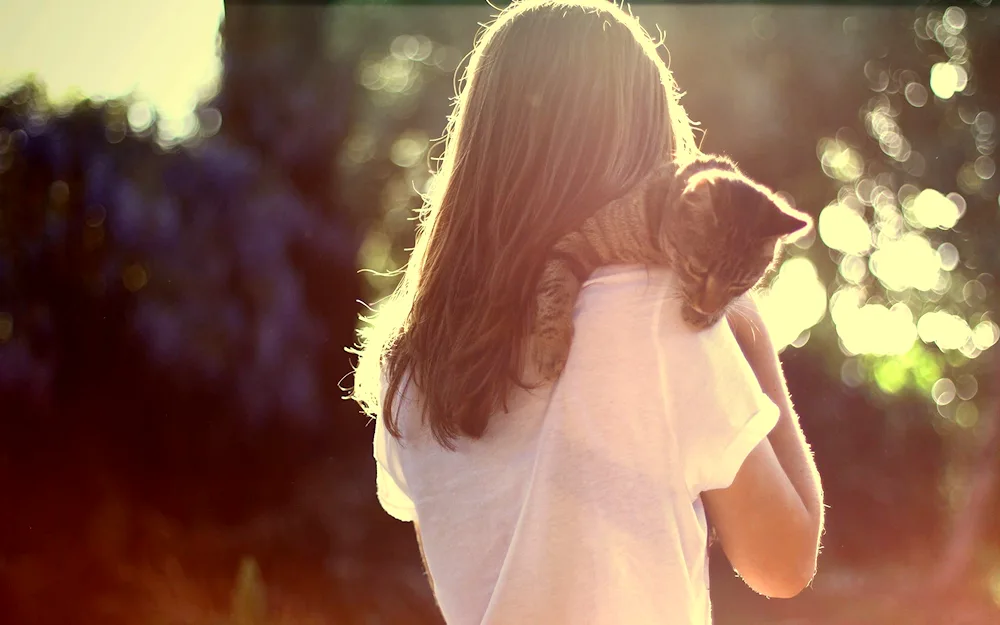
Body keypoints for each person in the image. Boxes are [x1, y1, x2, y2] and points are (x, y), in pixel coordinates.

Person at [350, 0, 825, 623]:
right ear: (643, 142)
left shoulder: (409, 362)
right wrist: (750, 332)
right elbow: (784, 564)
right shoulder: (659, 321)